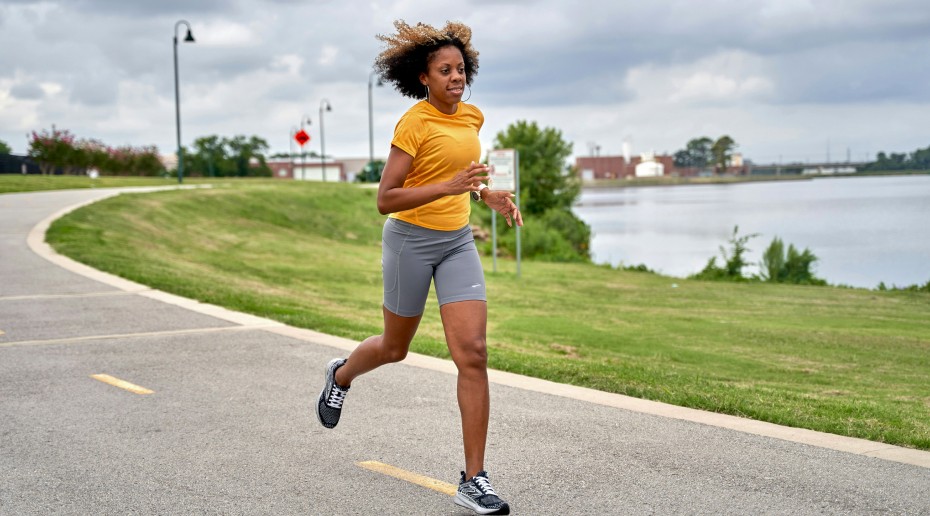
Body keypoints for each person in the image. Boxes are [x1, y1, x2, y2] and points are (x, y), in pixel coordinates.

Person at [315, 20, 521, 515]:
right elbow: (386, 199)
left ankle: (474, 479)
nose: (456, 77)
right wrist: (448, 187)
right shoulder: (414, 123)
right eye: (444, 70)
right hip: (409, 240)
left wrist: (482, 193)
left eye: (460, 68)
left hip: (456, 242)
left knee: (472, 352)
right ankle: (341, 375)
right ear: (423, 77)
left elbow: (458, 178)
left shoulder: (472, 117)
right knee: (394, 347)